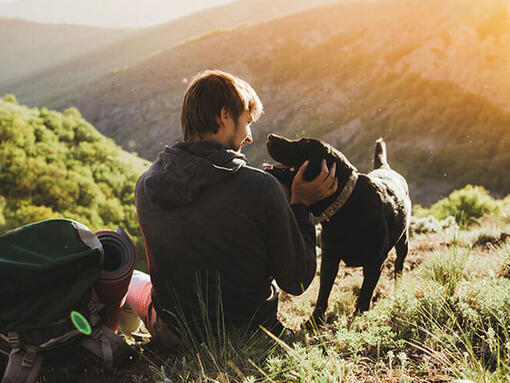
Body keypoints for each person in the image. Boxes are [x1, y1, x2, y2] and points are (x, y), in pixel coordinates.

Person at [126, 70, 338, 348]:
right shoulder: (260, 187)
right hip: (252, 333)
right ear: (225, 116)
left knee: (131, 280)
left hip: (176, 337)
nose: (249, 137)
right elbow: (297, 282)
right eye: (247, 122)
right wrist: (301, 206)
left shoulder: (146, 186)